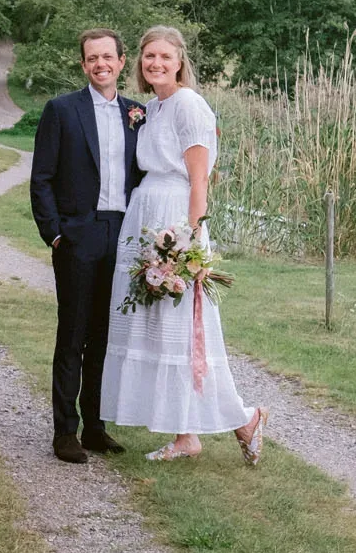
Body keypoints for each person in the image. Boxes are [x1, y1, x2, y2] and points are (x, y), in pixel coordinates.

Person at [99, 26, 267, 464]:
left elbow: (199, 181)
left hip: (175, 220)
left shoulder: (189, 105)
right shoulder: (151, 108)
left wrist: (187, 243)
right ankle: (188, 435)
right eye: (149, 56)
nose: (156, 63)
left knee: (186, 333)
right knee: (159, 331)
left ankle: (242, 418)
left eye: (164, 57)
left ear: (180, 62)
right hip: (145, 216)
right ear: (139, 61)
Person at [28, 28, 144, 463]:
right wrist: (55, 233)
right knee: (72, 334)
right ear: (83, 65)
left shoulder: (137, 113)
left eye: (107, 57)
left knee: (105, 336)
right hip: (78, 234)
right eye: (92, 58)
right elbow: (41, 179)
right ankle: (65, 432)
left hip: (124, 233)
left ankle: (95, 427)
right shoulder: (61, 110)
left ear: (120, 61)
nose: (100, 65)